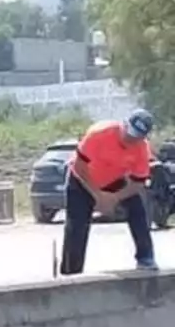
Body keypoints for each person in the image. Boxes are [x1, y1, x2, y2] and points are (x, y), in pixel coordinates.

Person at [60, 109, 158, 275]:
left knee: (138, 210)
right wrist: (98, 195)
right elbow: (79, 166)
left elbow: (138, 182)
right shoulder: (99, 134)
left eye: (136, 138)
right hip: (83, 181)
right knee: (76, 225)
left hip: (113, 181)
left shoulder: (141, 149)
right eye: (129, 134)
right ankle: (71, 271)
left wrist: (115, 198)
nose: (130, 140)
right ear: (124, 125)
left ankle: (145, 257)